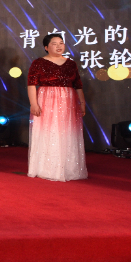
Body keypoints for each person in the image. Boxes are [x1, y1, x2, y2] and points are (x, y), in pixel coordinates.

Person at [26, 33, 88, 182]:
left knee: (67, 132)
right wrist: (34, 103)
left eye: (61, 43)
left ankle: (68, 168)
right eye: (54, 44)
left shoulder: (71, 63)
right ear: (46, 47)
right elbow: (31, 84)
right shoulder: (38, 62)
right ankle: (47, 168)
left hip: (68, 101)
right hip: (47, 99)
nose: (59, 46)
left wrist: (82, 102)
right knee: (49, 131)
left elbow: (78, 85)